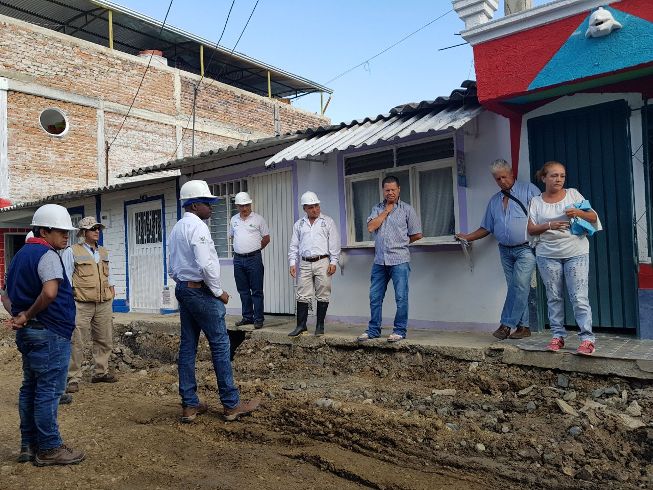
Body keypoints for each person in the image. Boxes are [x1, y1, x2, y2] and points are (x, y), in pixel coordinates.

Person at [168, 179, 260, 422]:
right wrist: (218, 292)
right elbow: (205, 264)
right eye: (207, 203)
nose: (211, 207)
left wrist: (185, 283)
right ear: (194, 205)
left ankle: (189, 405)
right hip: (200, 291)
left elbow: (172, 267)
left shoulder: (177, 228)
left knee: (188, 346)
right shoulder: (198, 227)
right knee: (220, 344)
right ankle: (231, 404)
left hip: (184, 289)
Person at [6, 204, 85, 466]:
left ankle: (28, 445)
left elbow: (6, 295)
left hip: (30, 333)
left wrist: (19, 316)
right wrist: (27, 315)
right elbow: (50, 292)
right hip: (49, 333)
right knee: (48, 391)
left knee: (30, 388)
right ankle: (49, 447)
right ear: (43, 231)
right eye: (60, 231)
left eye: (67, 231)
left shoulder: (20, 255)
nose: (66, 236)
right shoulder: (47, 255)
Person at [456, 159, 541, 340]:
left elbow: (542, 214)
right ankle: (524, 327)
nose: (502, 181)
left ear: (512, 174)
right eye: (498, 179)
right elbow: (486, 227)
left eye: (504, 177)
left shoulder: (529, 190)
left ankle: (506, 324)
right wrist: (468, 237)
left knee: (519, 285)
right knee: (515, 288)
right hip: (505, 251)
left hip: (526, 248)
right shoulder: (494, 201)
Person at [527, 161, 601, 355]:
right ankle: (557, 336)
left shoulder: (573, 194)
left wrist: (577, 212)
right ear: (543, 178)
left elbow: (593, 217)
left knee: (579, 297)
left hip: (576, 252)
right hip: (547, 255)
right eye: (554, 175)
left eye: (562, 176)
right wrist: (549, 225)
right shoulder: (536, 201)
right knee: (554, 297)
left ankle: (587, 339)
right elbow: (531, 229)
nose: (558, 179)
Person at [357, 175, 422, 342]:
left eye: (393, 189)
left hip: (399, 260)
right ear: (383, 191)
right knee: (375, 297)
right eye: (387, 190)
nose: (390, 193)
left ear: (399, 189)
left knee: (401, 297)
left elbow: (417, 234)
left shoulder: (407, 210)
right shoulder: (377, 208)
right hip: (380, 261)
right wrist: (386, 211)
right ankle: (373, 330)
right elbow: (371, 227)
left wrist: (402, 242)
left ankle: (399, 330)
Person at [62, 217, 117, 393]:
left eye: (98, 228)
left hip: (103, 302)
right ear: (84, 232)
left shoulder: (103, 251)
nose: (96, 231)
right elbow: (66, 278)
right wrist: (67, 301)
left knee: (104, 339)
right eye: (93, 229)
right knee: (77, 341)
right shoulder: (72, 251)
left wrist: (112, 293)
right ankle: (72, 378)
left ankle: (101, 372)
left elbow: (109, 275)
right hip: (81, 303)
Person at [287, 191, 340, 337]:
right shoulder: (299, 224)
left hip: (323, 261)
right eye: (311, 207)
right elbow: (294, 245)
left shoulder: (327, 222)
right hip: (305, 262)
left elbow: (334, 243)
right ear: (304, 208)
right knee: (302, 293)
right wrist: (292, 262)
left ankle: (320, 325)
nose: (315, 209)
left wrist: (334, 261)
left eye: (316, 206)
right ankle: (301, 325)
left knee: (323, 292)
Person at [230, 191, 270, 330]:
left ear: (250, 204)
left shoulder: (258, 219)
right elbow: (232, 236)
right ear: (237, 206)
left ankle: (258, 319)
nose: (244, 208)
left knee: (257, 290)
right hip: (238, 260)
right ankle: (247, 317)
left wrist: (255, 249)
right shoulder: (233, 220)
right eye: (241, 206)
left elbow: (266, 238)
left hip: (254, 259)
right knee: (243, 290)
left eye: (246, 205)